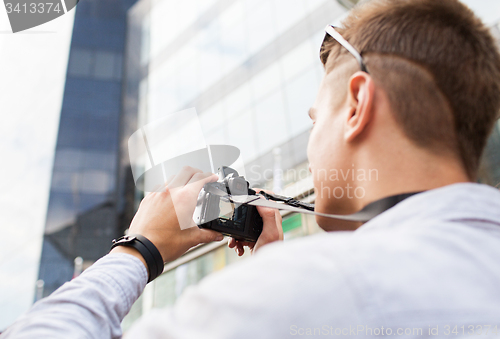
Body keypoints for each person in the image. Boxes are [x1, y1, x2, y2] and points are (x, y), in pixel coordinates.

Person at [4, 0, 500, 337]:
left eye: (314, 120)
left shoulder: (321, 285)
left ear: (356, 104)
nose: (310, 144)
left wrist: (140, 249)